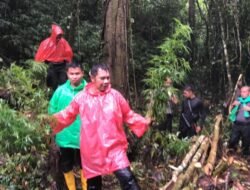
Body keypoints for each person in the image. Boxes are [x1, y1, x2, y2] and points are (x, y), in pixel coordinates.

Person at [49, 63, 151, 190]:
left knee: (128, 179)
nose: (106, 81)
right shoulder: (81, 98)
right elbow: (67, 114)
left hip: (115, 148)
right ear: (92, 78)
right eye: (102, 78)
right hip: (92, 150)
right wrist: (49, 121)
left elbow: (128, 114)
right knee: (93, 185)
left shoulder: (115, 96)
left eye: (108, 78)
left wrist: (144, 122)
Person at [48, 62, 87, 190]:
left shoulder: (89, 90)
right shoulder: (60, 91)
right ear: (67, 74)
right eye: (71, 74)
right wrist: (53, 128)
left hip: (85, 135)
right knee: (66, 163)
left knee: (85, 164)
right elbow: (52, 110)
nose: (74, 76)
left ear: (82, 73)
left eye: (77, 73)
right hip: (64, 135)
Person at [35, 24, 73, 91]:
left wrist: (68, 63)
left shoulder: (63, 42)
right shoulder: (46, 43)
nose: (59, 38)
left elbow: (68, 52)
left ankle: (62, 95)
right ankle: (53, 95)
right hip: (52, 66)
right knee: (53, 82)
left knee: (63, 81)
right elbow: (40, 55)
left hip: (62, 66)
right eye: (57, 36)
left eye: (60, 36)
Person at [228, 86, 250, 156]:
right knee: (233, 140)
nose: (242, 93)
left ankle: (245, 158)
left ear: (249, 93)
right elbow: (231, 110)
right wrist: (233, 105)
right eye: (241, 92)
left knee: (246, 142)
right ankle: (231, 155)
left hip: (246, 125)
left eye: (244, 92)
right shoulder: (238, 100)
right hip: (236, 124)